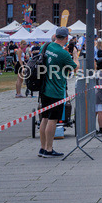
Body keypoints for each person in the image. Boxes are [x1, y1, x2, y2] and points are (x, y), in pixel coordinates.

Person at [38, 28, 78, 158]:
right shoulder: (64, 54)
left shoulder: (46, 46)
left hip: (44, 88)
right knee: (53, 120)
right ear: (66, 38)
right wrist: (75, 56)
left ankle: (42, 148)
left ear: (55, 36)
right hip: (56, 90)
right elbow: (75, 67)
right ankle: (49, 149)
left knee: (44, 118)